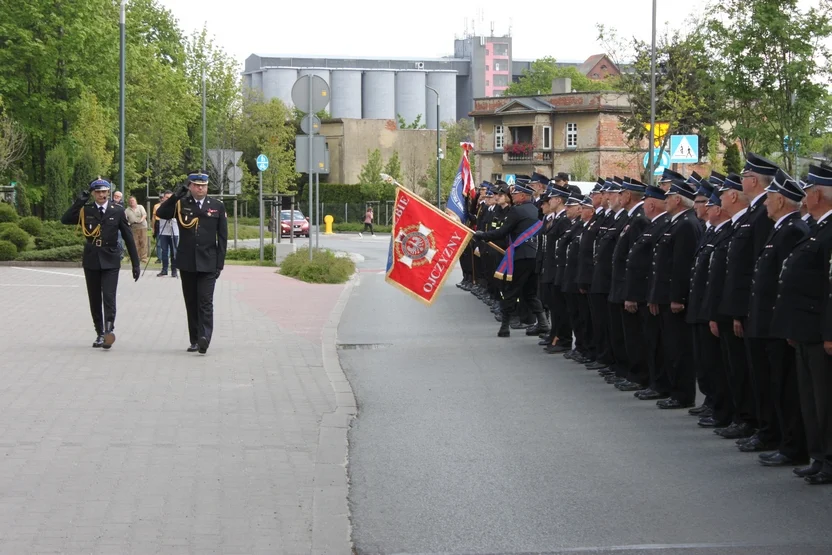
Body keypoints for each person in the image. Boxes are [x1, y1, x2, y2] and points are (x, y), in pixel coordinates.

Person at [61, 178, 140, 349]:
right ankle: (99, 333)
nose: (101, 195)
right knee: (95, 297)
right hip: (92, 259)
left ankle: (109, 329)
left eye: (104, 192)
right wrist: (80, 200)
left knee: (109, 296)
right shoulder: (86, 210)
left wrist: (136, 263)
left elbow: (128, 237)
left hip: (111, 258)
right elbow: (65, 219)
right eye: (97, 192)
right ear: (93, 194)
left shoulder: (117, 211)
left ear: (108, 193)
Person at [156, 172, 228, 354]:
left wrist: (220, 263)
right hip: (187, 261)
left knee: (205, 301)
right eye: (196, 185)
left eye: (203, 185)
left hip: (208, 261)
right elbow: (161, 213)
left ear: (207, 187)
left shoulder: (217, 206)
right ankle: (195, 339)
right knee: (191, 301)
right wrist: (175, 196)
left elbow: (223, 237)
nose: (200, 188)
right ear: (190, 186)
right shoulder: (181, 204)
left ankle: (205, 337)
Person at [473, 180, 545, 337]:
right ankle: (543, 323)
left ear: (522, 196)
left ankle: (505, 326)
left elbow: (502, 232)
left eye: (514, 194)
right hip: (534, 255)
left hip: (519, 256)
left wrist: (482, 235)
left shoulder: (516, 211)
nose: (512, 196)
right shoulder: (535, 209)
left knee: (510, 291)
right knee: (530, 292)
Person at [156, 190, 179, 278]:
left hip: (174, 231)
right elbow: (159, 214)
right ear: (164, 198)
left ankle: (174, 270)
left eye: (170, 198)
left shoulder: (176, 206)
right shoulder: (162, 206)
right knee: (164, 251)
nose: (168, 199)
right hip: (164, 232)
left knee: (174, 252)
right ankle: (164, 269)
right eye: (166, 197)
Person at [125, 195, 149, 264]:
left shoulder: (140, 207)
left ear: (136, 201)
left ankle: (144, 258)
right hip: (133, 228)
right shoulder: (127, 210)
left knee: (144, 242)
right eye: (130, 201)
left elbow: (144, 215)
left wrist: (141, 220)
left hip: (143, 227)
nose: (131, 202)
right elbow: (125, 219)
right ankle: (136, 257)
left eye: (133, 200)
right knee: (135, 243)